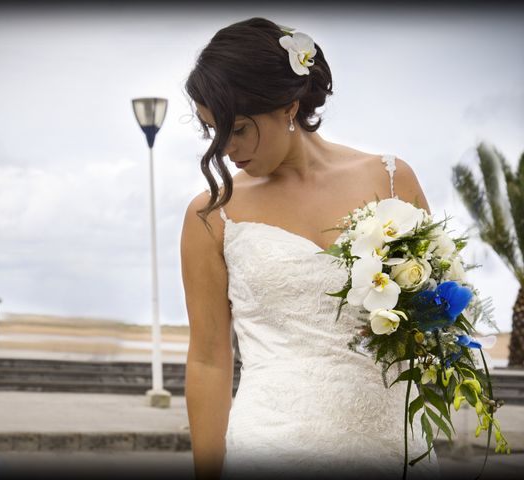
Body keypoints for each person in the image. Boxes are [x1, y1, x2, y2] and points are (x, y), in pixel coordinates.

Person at [180, 18, 438, 480]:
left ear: (288, 106)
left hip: (393, 447)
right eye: (211, 132)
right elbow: (208, 358)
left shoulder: (391, 179)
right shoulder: (212, 215)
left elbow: (434, 314)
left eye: (237, 129)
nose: (224, 151)